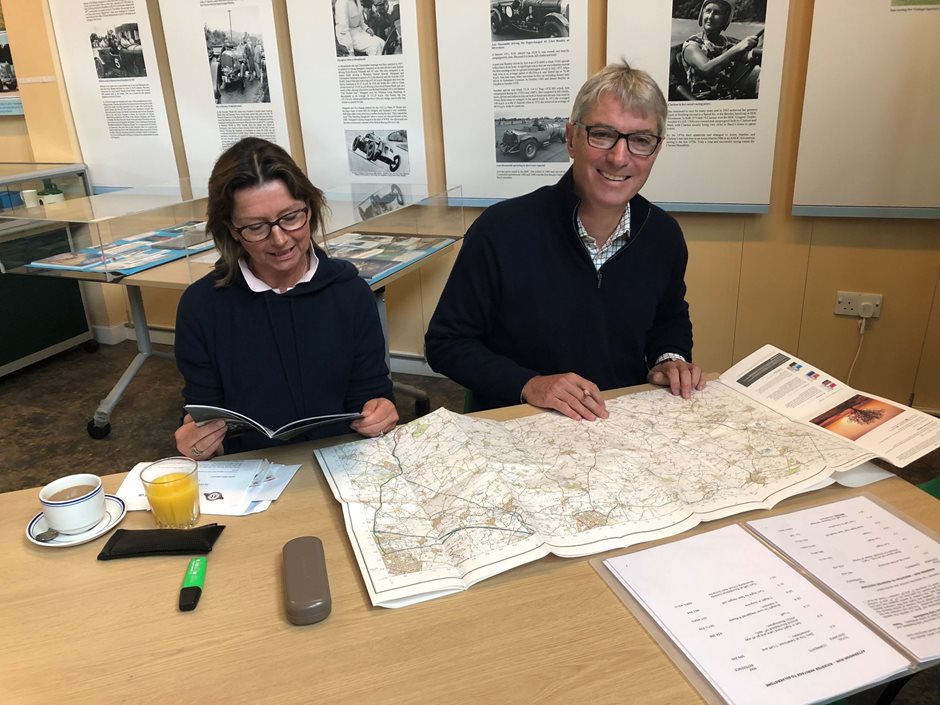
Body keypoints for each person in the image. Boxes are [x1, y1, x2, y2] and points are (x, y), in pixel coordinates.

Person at [425, 61, 704, 420]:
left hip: (619, 424)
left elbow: (669, 317)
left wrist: (670, 358)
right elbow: (446, 344)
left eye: (640, 140)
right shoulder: (500, 230)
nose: (619, 157)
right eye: (602, 134)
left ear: (656, 149)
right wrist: (529, 384)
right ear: (571, 139)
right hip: (521, 425)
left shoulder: (663, 235)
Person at [174, 138, 398, 459]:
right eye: (256, 227)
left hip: (342, 461)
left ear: (310, 207)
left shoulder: (350, 293)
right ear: (232, 231)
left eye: (290, 217)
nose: (280, 240)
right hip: (251, 469)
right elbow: (204, 412)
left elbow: (372, 394)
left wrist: (381, 411)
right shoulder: (201, 307)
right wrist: (199, 442)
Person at [679, 0, 762, 100]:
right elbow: (706, 69)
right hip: (703, 103)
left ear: (725, 19)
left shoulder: (730, 43)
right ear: (701, 15)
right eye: (708, 11)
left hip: (731, 99)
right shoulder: (692, 44)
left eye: (717, 13)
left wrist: (754, 50)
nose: (710, 16)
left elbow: (749, 56)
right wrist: (738, 48)